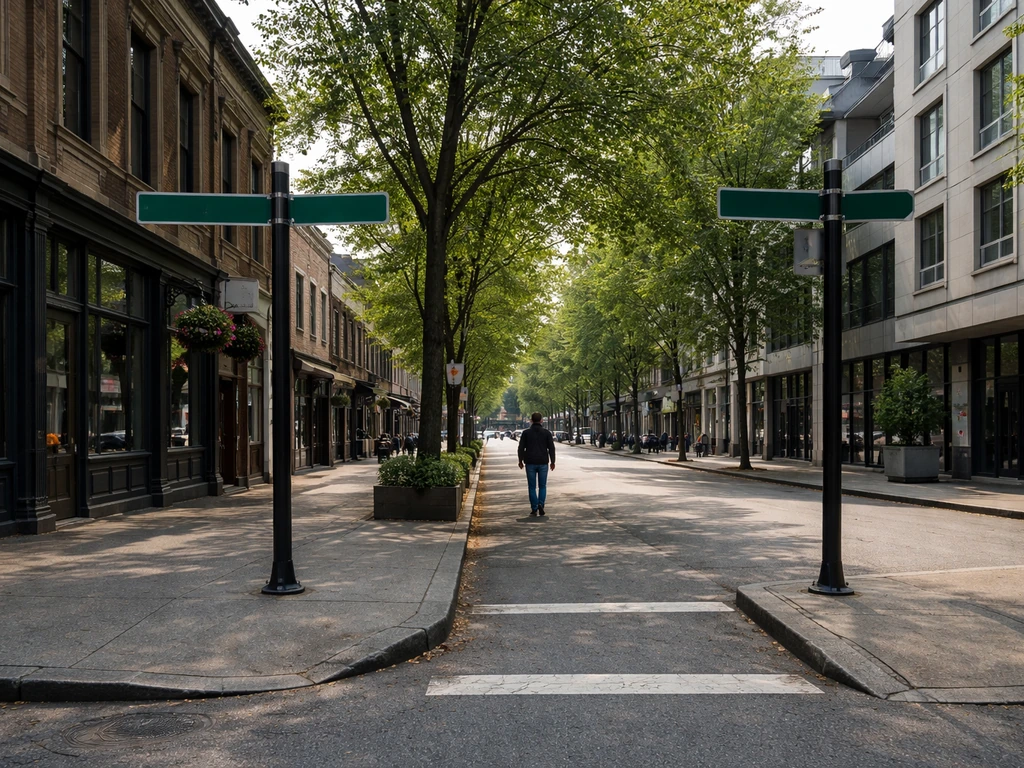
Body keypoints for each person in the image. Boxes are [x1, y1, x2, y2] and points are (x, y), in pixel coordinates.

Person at [518, 412, 556, 516]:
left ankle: (534, 508)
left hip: (530, 462)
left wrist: (520, 460)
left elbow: (521, 448)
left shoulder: (526, 433)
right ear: (541, 421)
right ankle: (541, 504)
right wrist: (553, 461)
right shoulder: (546, 433)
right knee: (542, 486)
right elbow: (551, 448)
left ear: (531, 420)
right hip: (543, 462)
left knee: (532, 486)